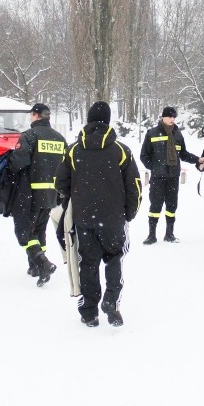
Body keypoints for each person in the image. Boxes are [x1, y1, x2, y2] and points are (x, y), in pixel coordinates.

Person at [55, 101, 141, 327]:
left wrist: (76, 197)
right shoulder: (121, 151)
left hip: (85, 219)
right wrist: (129, 213)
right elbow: (135, 187)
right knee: (115, 259)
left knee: (88, 263)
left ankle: (89, 312)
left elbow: (60, 182)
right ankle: (111, 301)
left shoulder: (73, 150)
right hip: (113, 218)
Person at [7, 103, 68, 287]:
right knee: (39, 230)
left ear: (35, 115)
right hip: (52, 194)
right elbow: (66, 166)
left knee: (24, 231)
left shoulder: (29, 136)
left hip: (31, 193)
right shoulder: (60, 139)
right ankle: (34, 267)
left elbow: (18, 161)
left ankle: (43, 264)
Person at [139, 106, 201, 244]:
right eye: (170, 117)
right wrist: (154, 167)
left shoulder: (178, 135)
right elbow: (144, 155)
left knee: (172, 206)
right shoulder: (152, 133)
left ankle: (169, 234)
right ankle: (151, 235)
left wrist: (197, 159)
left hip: (173, 176)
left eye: (174, 117)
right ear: (163, 117)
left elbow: (183, 154)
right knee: (155, 205)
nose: (172, 119)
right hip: (158, 177)